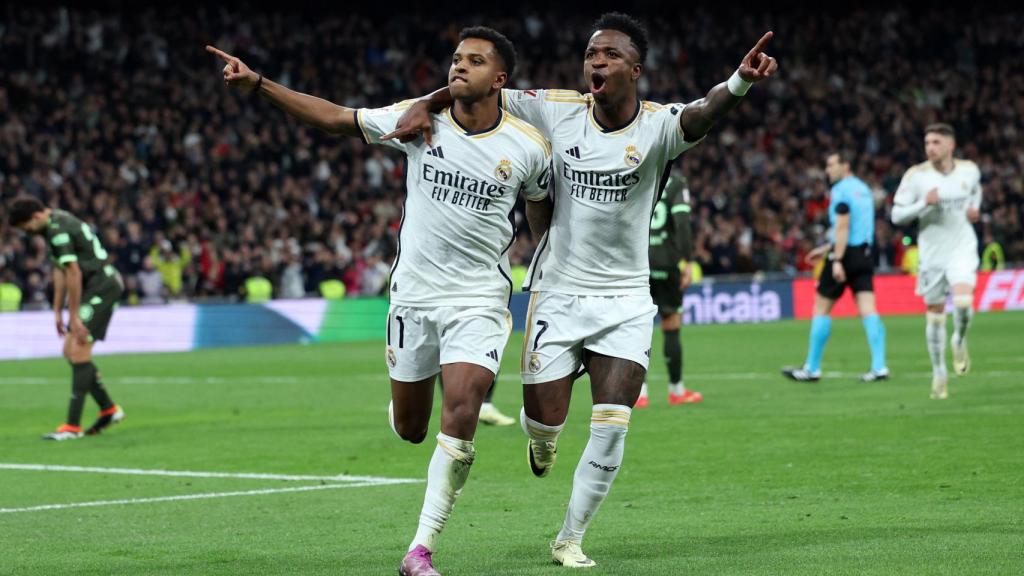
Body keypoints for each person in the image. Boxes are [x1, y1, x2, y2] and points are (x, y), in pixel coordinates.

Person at [389, 12, 777, 567]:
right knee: (543, 421)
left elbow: (703, 111)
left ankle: (570, 537)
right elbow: (474, 91)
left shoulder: (658, 126)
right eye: (592, 53)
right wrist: (425, 103)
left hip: (625, 298)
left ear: (635, 70)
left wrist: (739, 80)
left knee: (612, 422)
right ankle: (542, 441)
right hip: (556, 293)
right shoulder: (554, 108)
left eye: (610, 55)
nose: (596, 61)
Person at [209, 26, 551, 576]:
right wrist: (259, 85)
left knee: (462, 408)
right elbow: (333, 116)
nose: (459, 67)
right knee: (413, 429)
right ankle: (401, 406)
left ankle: (420, 550)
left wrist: (545, 268)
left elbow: (540, 207)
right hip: (413, 298)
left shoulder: (529, 146)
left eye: (476, 61)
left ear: (500, 80)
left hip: (480, 299)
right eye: (456, 59)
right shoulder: (417, 123)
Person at [7, 196, 125, 440]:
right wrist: (57, 311)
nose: (26, 232)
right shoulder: (55, 224)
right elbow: (60, 270)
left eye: (25, 227)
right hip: (93, 287)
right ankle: (108, 409)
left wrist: (73, 316)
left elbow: (73, 271)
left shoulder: (58, 230)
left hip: (102, 287)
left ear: (36, 216)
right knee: (69, 352)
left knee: (79, 350)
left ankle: (72, 426)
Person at [891, 123, 981, 400]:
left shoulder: (970, 170)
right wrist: (923, 205)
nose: (930, 147)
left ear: (950, 145)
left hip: (962, 247)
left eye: (936, 142)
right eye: (927, 142)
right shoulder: (916, 176)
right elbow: (896, 215)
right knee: (935, 314)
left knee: (964, 303)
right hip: (932, 254)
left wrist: (974, 208)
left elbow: (975, 191)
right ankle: (939, 371)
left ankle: (959, 338)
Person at [782, 151, 889, 383]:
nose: (827, 170)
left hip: (844, 254)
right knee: (868, 310)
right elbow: (858, 227)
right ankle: (879, 366)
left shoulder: (840, 191)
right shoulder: (863, 189)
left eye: (831, 165)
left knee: (821, 308)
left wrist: (836, 258)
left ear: (845, 166)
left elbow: (843, 226)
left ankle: (812, 368)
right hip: (865, 254)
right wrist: (826, 248)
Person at [638, 170, 702, 407]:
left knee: (638, 325)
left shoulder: (643, 175)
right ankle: (676, 390)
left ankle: (639, 393)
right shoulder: (676, 181)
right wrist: (687, 260)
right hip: (667, 260)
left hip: (640, 259)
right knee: (671, 321)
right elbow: (682, 222)